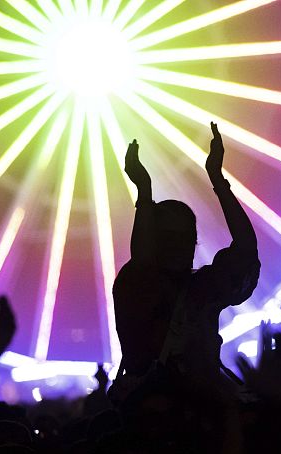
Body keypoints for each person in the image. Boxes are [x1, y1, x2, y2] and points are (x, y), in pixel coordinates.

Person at [111, 123, 259, 396]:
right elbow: (142, 263)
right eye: (169, 237)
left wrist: (218, 180)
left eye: (186, 238)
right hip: (158, 411)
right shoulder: (143, 285)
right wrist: (144, 195)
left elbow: (246, 252)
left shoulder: (200, 287)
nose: (179, 246)